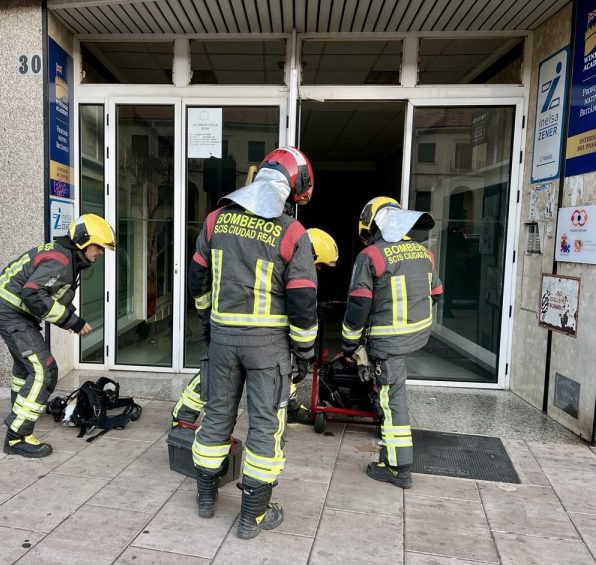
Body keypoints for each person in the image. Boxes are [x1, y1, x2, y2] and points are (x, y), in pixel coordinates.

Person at [188, 146, 318, 539]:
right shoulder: (292, 232)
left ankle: (206, 498)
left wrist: (209, 322)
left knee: (216, 416)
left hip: (223, 341)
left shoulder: (216, 220)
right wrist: (305, 352)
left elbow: (197, 279)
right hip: (268, 347)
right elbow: (303, 300)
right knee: (265, 426)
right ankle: (252, 517)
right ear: (293, 187)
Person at [171, 228, 338, 427]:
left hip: (260, 334)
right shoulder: (279, 259)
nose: (317, 271)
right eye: (317, 265)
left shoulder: (278, 259)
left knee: (279, 370)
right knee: (214, 376)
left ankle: (290, 407)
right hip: (241, 330)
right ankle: (183, 412)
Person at [0, 214, 115, 458]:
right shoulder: (61, 260)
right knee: (44, 370)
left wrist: (72, 318)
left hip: (7, 308)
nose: (100, 253)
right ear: (83, 241)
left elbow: (52, 293)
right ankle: (17, 436)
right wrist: (71, 320)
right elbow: (33, 294)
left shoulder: (66, 257)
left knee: (26, 366)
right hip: (9, 312)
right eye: (98, 246)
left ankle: (21, 410)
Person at [340, 197, 442, 489]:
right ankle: (392, 458)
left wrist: (349, 344)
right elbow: (436, 293)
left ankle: (399, 469)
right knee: (389, 395)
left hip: (388, 342)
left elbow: (359, 305)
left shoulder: (371, 255)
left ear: (372, 224)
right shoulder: (424, 252)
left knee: (391, 401)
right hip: (415, 336)